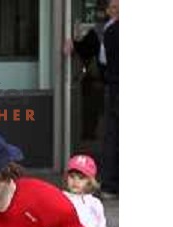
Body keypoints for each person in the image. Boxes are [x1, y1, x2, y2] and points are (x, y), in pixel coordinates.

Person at [66, 0, 119, 197]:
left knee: (113, 135)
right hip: (112, 86)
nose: (114, 11)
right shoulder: (106, 29)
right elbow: (90, 49)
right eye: (111, 7)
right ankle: (111, 184)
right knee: (112, 134)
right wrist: (74, 45)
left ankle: (111, 184)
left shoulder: (110, 30)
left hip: (113, 85)